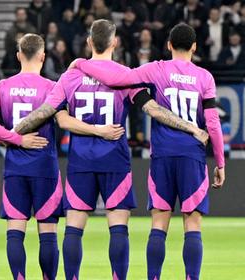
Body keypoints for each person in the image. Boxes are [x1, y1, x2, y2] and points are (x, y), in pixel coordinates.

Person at [16, 19, 208, 280]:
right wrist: (191, 127)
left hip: (80, 161)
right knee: (118, 229)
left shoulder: (70, 76)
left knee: (74, 228)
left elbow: (50, 115)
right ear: (115, 42)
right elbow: (153, 109)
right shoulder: (124, 76)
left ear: (89, 42)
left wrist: (10, 132)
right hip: (115, 160)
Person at [73, 23, 226, 280]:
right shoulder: (205, 78)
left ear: (168, 45)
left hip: (162, 156)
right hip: (192, 155)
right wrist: (220, 162)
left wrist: (80, 63)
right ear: (195, 47)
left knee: (159, 223)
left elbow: (114, 79)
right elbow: (212, 123)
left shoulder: (156, 69)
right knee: (192, 224)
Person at [0, 33, 60, 280]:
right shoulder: (52, 88)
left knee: (15, 231)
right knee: (48, 232)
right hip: (45, 166)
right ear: (43, 56)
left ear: (19, 55)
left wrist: (13, 138)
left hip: (15, 167)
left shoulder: (2, 86)